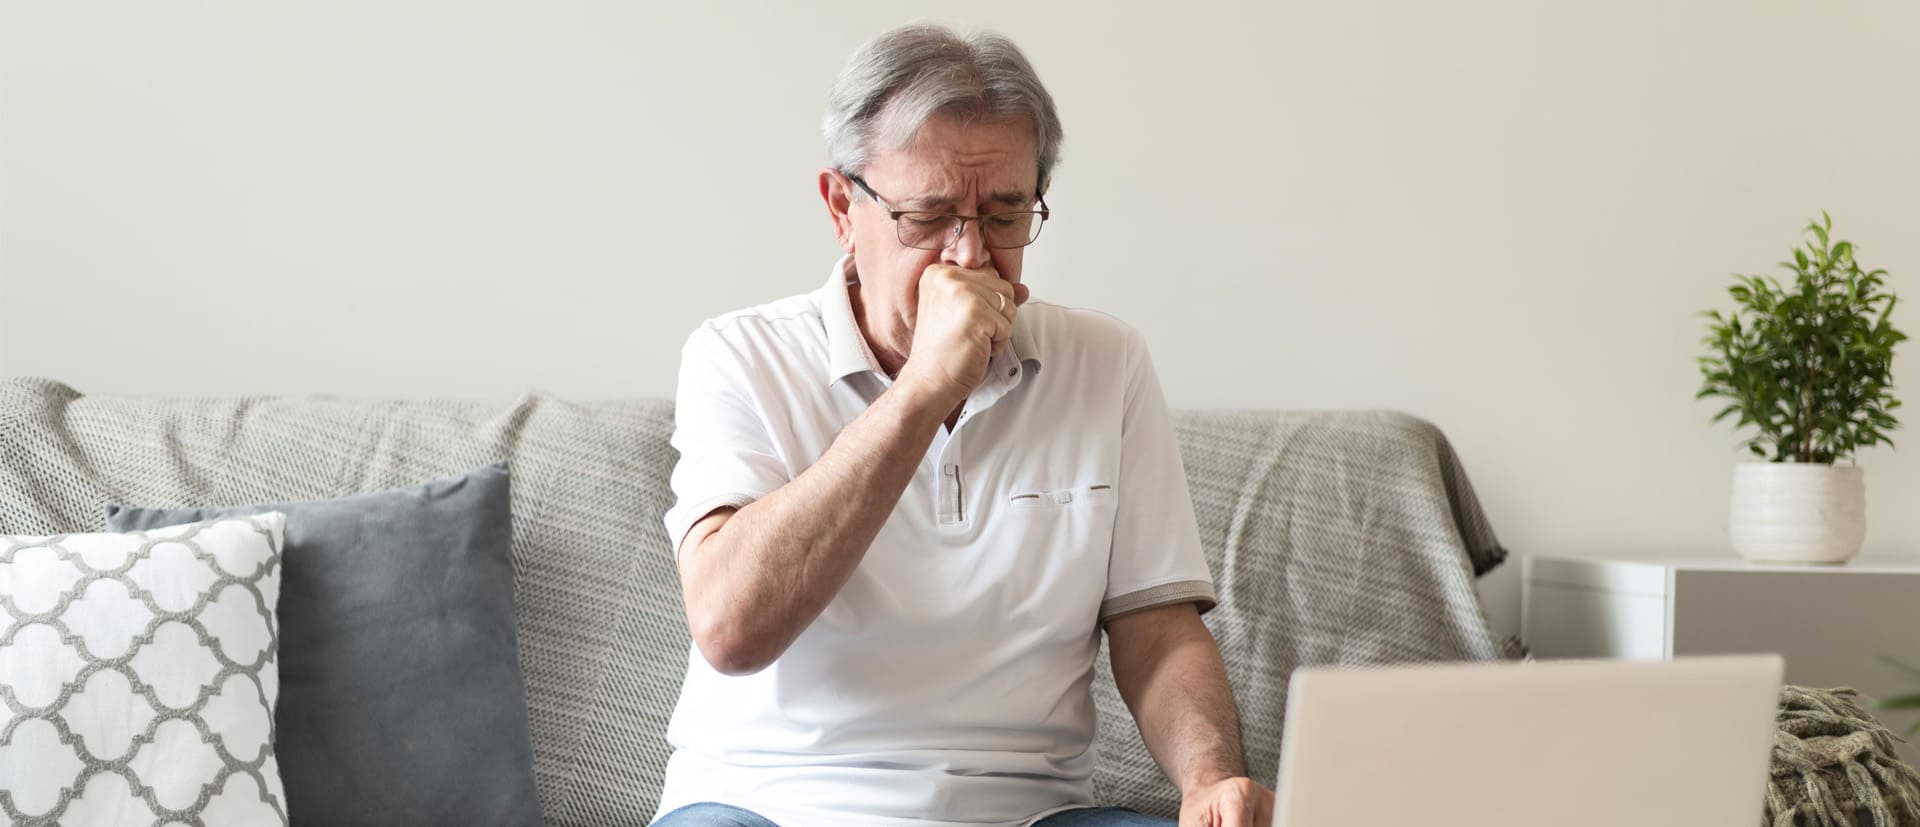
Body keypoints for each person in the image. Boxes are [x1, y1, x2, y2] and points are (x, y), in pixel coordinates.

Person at [653, 23, 1275, 827]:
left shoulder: (1106, 360)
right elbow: (731, 627)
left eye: (1007, 213)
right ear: (843, 207)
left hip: (1025, 814)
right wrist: (922, 390)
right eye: (930, 214)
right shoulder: (737, 355)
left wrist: (1208, 780)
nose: (970, 256)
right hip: (767, 804)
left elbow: (1156, 630)